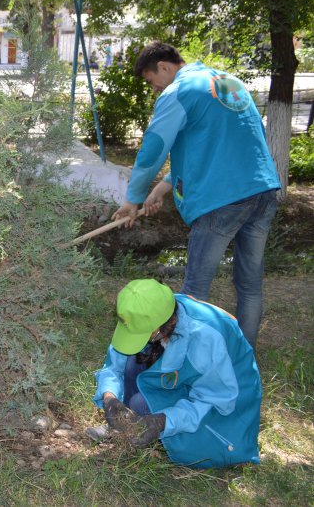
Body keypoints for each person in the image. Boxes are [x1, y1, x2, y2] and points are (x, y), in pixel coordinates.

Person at [112, 42, 281, 347]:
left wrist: (132, 199)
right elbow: (213, 145)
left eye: (151, 81)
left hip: (223, 200)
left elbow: (153, 149)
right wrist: (162, 190)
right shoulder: (228, 82)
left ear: (164, 66)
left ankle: (184, 359)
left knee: (194, 288)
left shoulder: (179, 92)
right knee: (250, 284)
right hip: (262, 190)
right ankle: (244, 357)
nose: (154, 90)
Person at [91, 279, 262, 468]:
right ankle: (126, 426)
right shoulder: (148, 312)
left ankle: (145, 425)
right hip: (194, 378)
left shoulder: (206, 339)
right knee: (132, 365)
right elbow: (115, 364)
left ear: (163, 327)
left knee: (141, 404)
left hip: (227, 406)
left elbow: (215, 401)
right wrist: (109, 397)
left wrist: (163, 422)